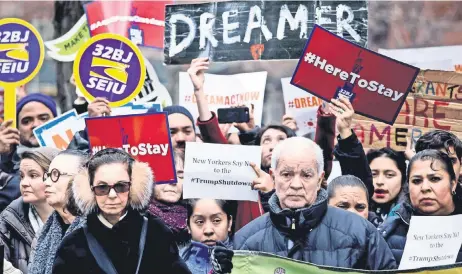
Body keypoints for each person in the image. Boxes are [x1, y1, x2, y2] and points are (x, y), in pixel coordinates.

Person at [219, 137, 396, 271]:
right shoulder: (246, 240)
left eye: (306, 175)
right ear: (273, 177)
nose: (296, 184)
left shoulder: (360, 231)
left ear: (319, 180)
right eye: (287, 174)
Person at [52, 148, 191, 274]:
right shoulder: (73, 245)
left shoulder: (156, 231)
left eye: (121, 186)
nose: (112, 195)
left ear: (134, 186)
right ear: (89, 190)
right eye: (102, 187)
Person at [379, 150, 462, 265]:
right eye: (416, 181)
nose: (424, 188)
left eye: (434, 179)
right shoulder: (388, 232)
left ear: (453, 184)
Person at [28, 150, 88, 274]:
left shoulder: (97, 231)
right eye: (48, 175)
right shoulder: (43, 234)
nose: (47, 183)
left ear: (82, 180)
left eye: (56, 174)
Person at [0, 147, 59, 273]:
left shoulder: (78, 219)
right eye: (21, 176)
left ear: (55, 177)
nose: (24, 183)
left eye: (33, 175)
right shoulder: (7, 220)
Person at [0, 94, 57, 211]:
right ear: (17, 129)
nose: (36, 124)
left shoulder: (73, 156)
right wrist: (3, 156)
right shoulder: (6, 163)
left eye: (44, 118)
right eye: (26, 121)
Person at [148, 149, 190, 246]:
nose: (174, 181)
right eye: (166, 173)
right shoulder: (138, 218)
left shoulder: (195, 217)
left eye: (180, 176)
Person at [180, 199, 233, 274]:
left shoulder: (245, 261)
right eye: (200, 222)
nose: (208, 231)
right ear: (188, 226)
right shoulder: (173, 263)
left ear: (229, 223)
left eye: (216, 220)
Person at [366, 148, 407, 226]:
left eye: (389, 175)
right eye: (373, 174)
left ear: (403, 179)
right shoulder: (353, 212)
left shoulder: (412, 214)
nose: (380, 182)